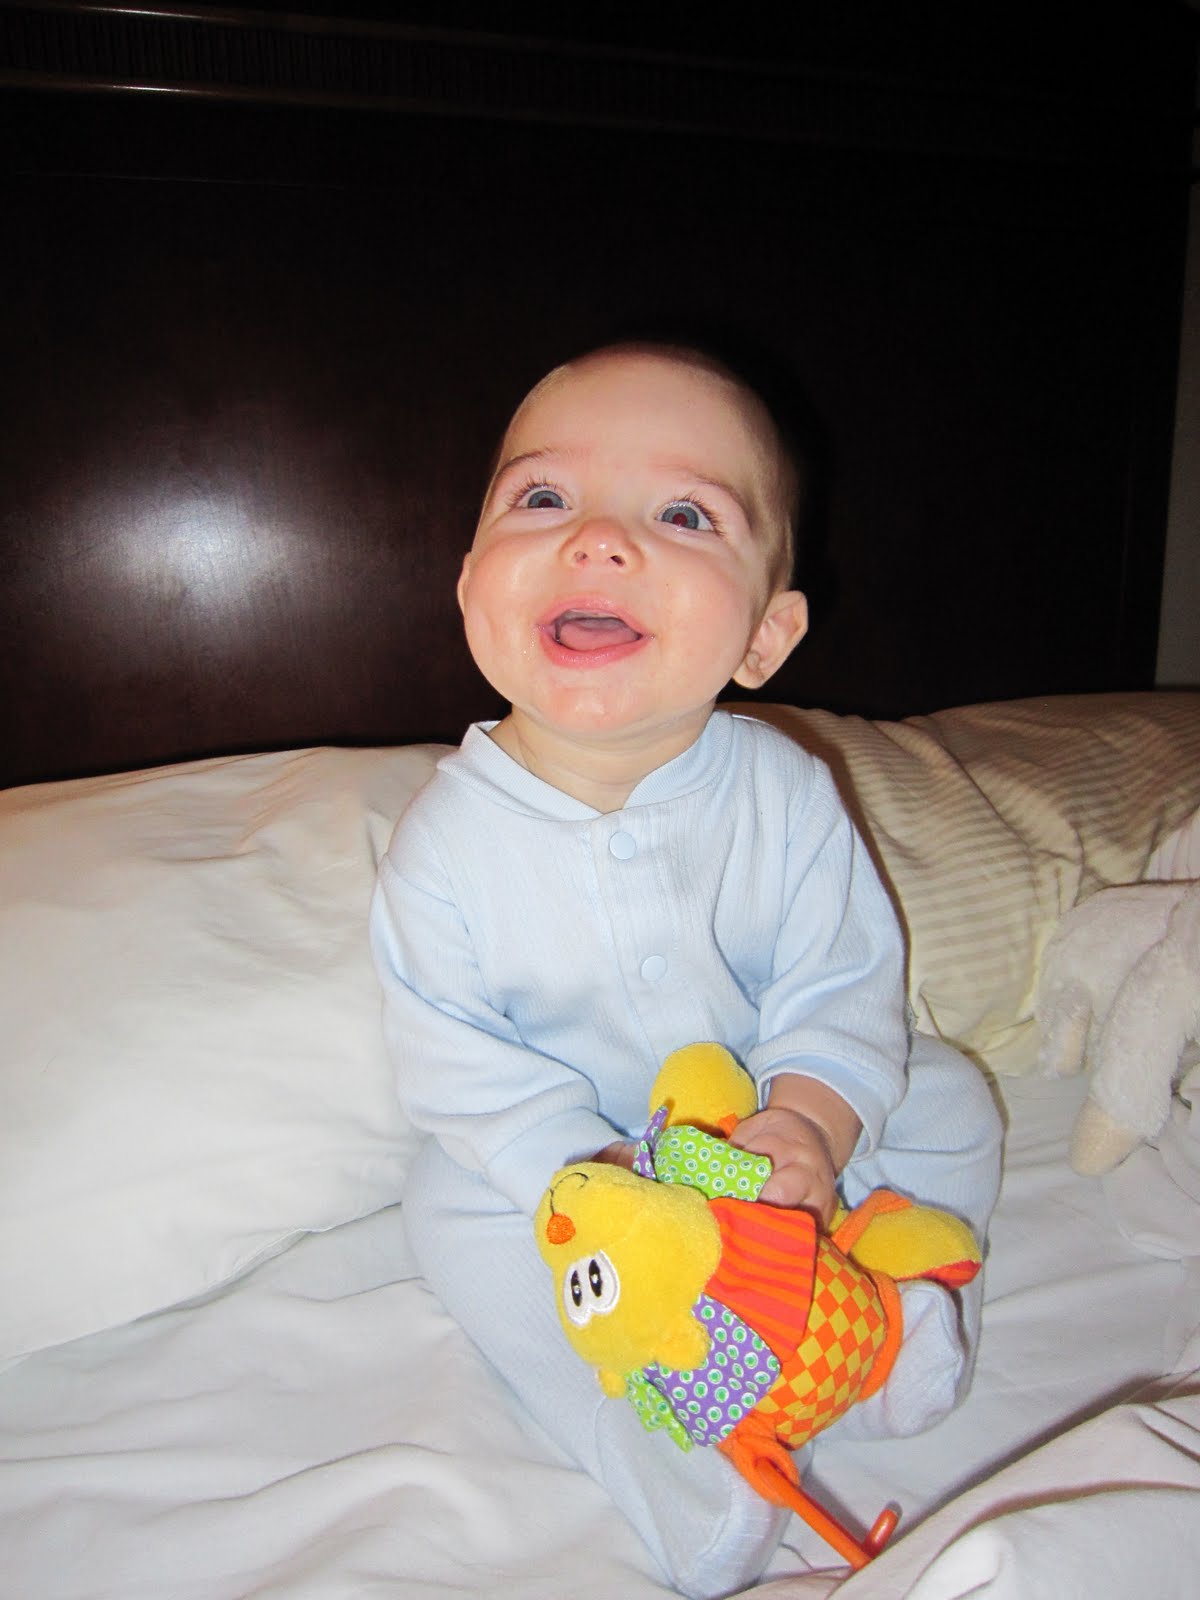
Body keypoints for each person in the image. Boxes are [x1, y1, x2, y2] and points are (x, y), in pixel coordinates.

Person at [369, 342, 1002, 1598]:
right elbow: (453, 1057)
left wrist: (810, 1120)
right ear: (469, 582)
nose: (599, 540)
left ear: (765, 635)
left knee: (948, 1094)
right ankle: (662, 1445)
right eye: (544, 497)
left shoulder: (785, 791)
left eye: (683, 514)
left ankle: (890, 1303)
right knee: (447, 1206)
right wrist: (592, 1174)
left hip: (763, 1130)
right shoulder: (443, 845)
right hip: (587, 1169)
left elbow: (841, 977)